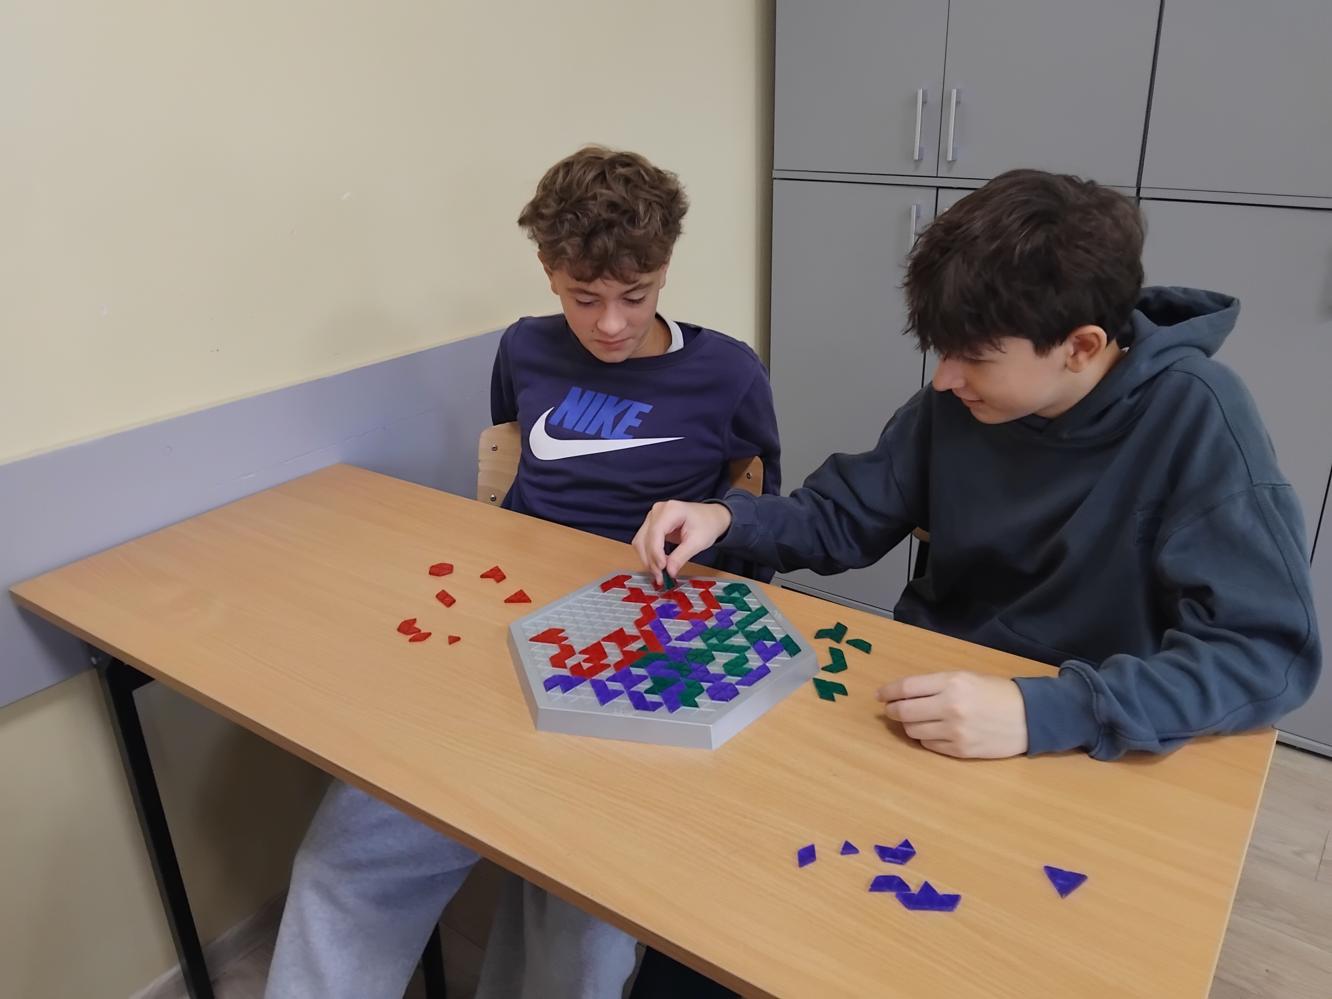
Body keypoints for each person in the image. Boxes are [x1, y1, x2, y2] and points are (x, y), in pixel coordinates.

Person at [264, 145, 780, 999]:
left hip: (640, 654)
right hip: (499, 635)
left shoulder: (727, 372)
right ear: (548, 271)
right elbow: (513, 460)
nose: (609, 324)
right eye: (583, 297)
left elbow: (759, 524)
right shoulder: (525, 348)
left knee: (582, 926)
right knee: (342, 860)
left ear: (666, 268)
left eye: (636, 295)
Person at [633, 168, 1320, 765]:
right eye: (943, 351)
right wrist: (726, 517)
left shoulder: (1197, 415)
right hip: (936, 686)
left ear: (1081, 347)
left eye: (976, 358)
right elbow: (843, 517)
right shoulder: (960, 402)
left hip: (1088, 727)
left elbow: (1265, 653)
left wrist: (1042, 712)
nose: (944, 379)